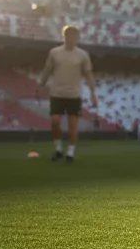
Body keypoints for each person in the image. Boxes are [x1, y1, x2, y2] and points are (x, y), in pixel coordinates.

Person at [38, 25, 97, 163]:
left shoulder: (83, 55)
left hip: (74, 95)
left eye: (73, 37)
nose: (71, 40)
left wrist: (93, 93)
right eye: (68, 37)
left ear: (77, 38)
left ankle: (70, 152)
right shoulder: (54, 52)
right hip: (57, 93)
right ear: (64, 37)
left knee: (73, 125)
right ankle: (58, 149)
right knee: (55, 121)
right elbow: (47, 70)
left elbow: (88, 74)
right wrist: (40, 86)